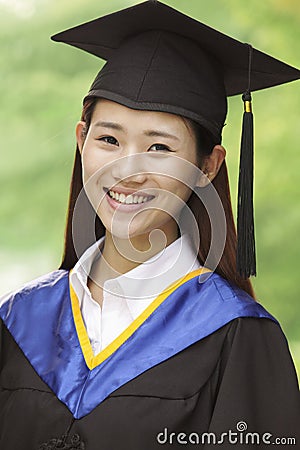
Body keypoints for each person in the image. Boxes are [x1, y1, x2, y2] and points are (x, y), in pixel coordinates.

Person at [0, 1, 299, 449]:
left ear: (208, 166)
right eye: (108, 139)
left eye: (159, 147)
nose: (127, 168)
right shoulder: (19, 318)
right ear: (82, 141)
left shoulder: (236, 336)